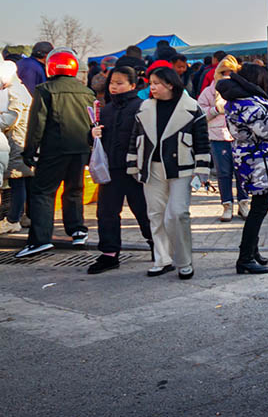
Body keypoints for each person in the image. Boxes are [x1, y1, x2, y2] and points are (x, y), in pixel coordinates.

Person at [127, 67, 210, 279]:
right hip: (151, 168)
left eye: (156, 83)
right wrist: (133, 164)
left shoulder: (192, 108)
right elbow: (134, 138)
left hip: (182, 169)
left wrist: (201, 170)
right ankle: (162, 259)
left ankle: (184, 260)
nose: (151, 87)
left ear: (170, 84)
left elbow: (202, 141)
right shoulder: (144, 108)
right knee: (155, 215)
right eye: (150, 83)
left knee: (177, 214)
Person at [16, 49, 95, 258]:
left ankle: (40, 240)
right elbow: (92, 120)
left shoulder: (45, 90)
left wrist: (30, 151)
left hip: (54, 150)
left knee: (43, 192)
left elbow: (37, 123)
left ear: (51, 66)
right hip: (80, 149)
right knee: (74, 190)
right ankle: (77, 230)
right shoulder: (86, 92)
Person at [217, 63, 268, 274]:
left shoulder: (240, 101)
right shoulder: (249, 104)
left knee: (258, 209)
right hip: (259, 163)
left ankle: (252, 251)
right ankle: (245, 258)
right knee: (258, 211)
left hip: (252, 161)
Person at [87, 66, 153, 274]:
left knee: (143, 210)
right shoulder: (105, 110)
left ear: (132, 85)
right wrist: (93, 135)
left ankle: (157, 244)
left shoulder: (143, 107)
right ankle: (109, 253)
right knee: (106, 212)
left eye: (120, 83)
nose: (114, 87)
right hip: (112, 169)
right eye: (112, 83)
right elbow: (98, 140)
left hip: (135, 169)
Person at [198, 55, 248, 222]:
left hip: (239, 135)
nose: (227, 75)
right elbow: (199, 114)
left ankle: (244, 202)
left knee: (242, 171)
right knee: (224, 172)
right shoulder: (209, 91)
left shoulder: (242, 89)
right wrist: (215, 109)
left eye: (231, 72)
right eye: (223, 72)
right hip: (218, 137)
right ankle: (227, 204)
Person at [0, 61, 33, 235]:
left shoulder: (15, 92)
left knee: (17, 180)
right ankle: (20, 216)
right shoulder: (19, 89)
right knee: (21, 181)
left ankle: (13, 220)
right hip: (22, 140)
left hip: (17, 141)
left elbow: (11, 118)